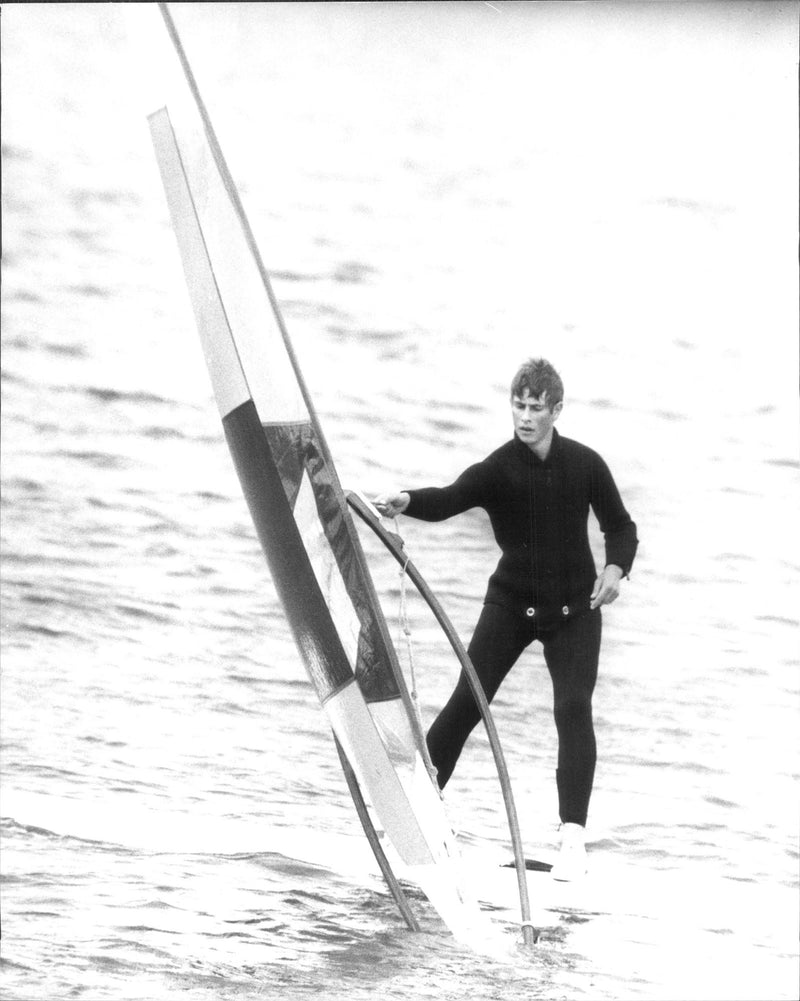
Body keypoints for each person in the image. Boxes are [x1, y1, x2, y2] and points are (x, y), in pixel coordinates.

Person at [373, 358, 638, 881]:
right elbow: (449, 498)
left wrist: (615, 568)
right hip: (512, 604)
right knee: (467, 700)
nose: (524, 416)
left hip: (573, 612)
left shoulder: (586, 465)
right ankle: (413, 815)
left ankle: (571, 842)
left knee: (573, 708)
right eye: (518, 405)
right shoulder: (499, 469)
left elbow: (621, 526)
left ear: (556, 410)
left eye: (536, 408)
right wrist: (406, 501)